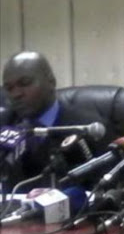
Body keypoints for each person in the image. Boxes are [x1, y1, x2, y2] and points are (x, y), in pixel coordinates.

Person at [1, 51, 111, 190]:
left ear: (51, 81)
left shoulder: (89, 128)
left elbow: (109, 189)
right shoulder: (5, 124)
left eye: (25, 83)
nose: (16, 94)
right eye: (9, 88)